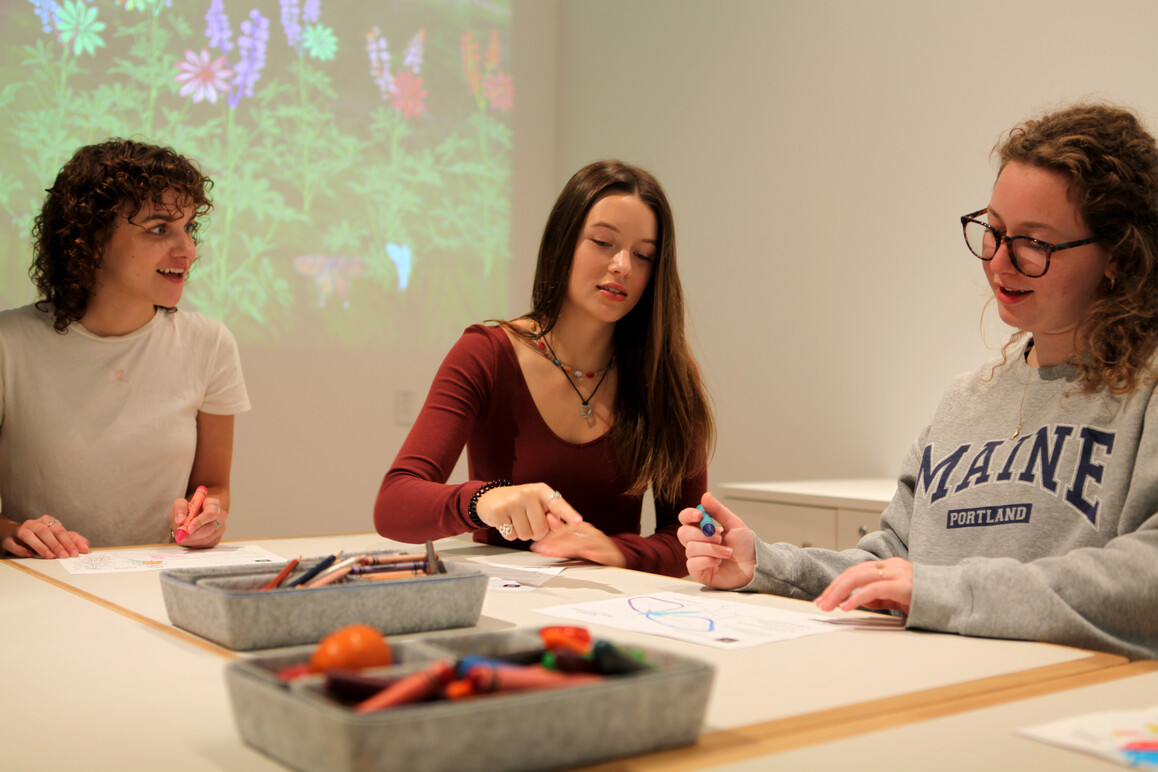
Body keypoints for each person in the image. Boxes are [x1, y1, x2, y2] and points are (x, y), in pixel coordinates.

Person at [680, 103, 1158, 659]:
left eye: (1035, 242)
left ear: (1118, 256)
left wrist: (944, 592)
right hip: (928, 684)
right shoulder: (966, 400)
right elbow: (894, 563)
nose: (1000, 263)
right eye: (994, 231)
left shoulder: (1144, 392)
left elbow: (1145, 578)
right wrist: (764, 563)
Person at [375, 160, 713, 577]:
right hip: (505, 601)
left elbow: (688, 539)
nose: (623, 265)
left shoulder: (670, 375)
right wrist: (484, 500)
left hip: (618, 606)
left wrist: (619, 551)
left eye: (643, 255)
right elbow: (394, 504)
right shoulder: (486, 354)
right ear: (563, 241)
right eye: (603, 243)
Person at [0, 138, 250, 558]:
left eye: (188, 227)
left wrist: (208, 514)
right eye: (159, 229)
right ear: (90, 239)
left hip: (152, 585)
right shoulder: (9, 345)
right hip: (39, 587)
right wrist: (11, 532)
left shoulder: (210, 344)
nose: (187, 250)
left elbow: (214, 487)